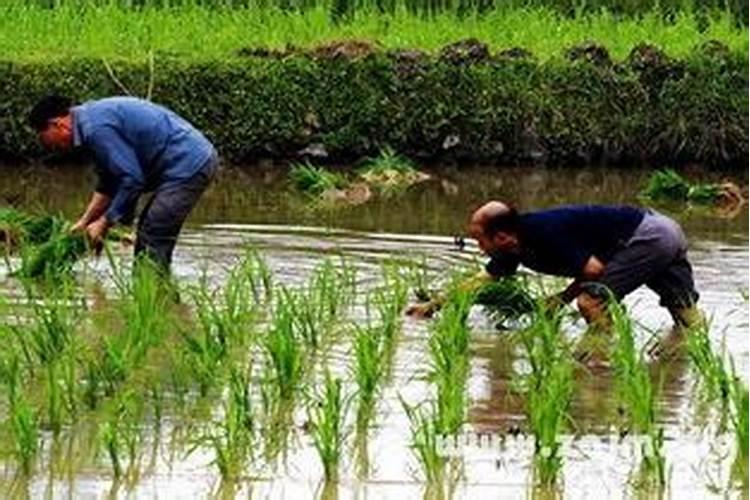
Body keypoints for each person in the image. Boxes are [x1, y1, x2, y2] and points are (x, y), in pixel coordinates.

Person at [409, 201, 702, 359]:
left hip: (648, 237)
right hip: (665, 230)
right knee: (687, 319)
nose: (479, 246)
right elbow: (481, 279)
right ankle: (689, 368)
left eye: (479, 239)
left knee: (590, 302)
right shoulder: (513, 246)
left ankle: (598, 365)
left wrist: (560, 300)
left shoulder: (545, 232)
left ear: (500, 236)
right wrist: (433, 305)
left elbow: (594, 271)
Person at [29, 95, 218, 273]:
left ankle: (156, 294)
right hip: (180, 162)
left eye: (42, 136)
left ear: (57, 124)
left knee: (153, 232)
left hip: (188, 163)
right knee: (147, 232)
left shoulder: (96, 129)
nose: (47, 145)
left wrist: (104, 223)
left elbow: (132, 180)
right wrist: (85, 221)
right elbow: (109, 182)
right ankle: (154, 292)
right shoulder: (89, 126)